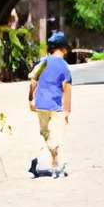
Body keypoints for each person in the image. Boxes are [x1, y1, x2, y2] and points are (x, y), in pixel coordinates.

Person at [27, 29, 73, 176]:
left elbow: (33, 81)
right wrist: (67, 111)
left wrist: (30, 99)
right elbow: (67, 89)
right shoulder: (64, 66)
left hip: (41, 105)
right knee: (55, 137)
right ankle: (55, 165)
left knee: (45, 134)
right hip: (56, 107)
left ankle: (49, 163)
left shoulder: (43, 62)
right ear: (64, 49)